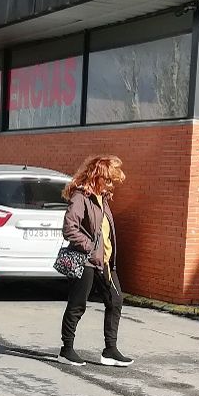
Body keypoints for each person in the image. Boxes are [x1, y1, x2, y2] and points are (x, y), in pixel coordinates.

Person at [57, 154, 133, 367]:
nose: (110, 185)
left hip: (106, 262)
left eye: (112, 181)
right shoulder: (81, 197)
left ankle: (110, 350)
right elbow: (69, 229)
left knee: (115, 301)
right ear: (96, 176)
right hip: (86, 260)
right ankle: (66, 349)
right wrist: (90, 248)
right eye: (107, 180)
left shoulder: (103, 198)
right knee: (78, 304)